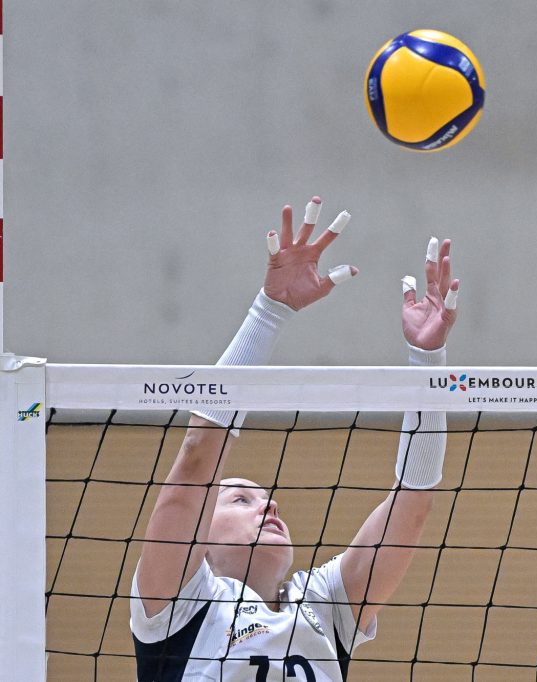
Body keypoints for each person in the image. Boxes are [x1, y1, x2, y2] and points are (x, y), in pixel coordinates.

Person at [130, 197, 460, 681]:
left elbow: (412, 505)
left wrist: (427, 364)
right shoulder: (177, 607)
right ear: (200, 537)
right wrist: (269, 312)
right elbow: (198, 456)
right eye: (241, 498)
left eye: (264, 499)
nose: (270, 508)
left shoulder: (321, 603)